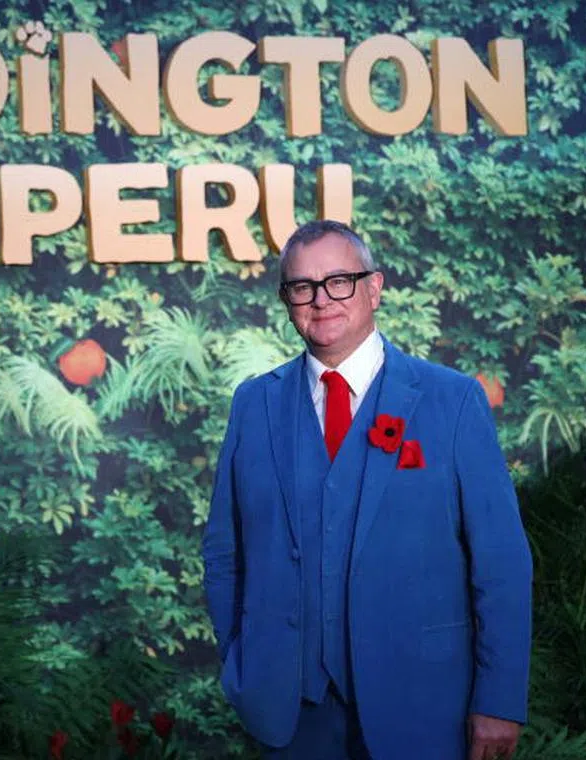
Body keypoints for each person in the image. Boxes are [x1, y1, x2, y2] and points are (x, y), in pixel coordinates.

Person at [200, 219, 533, 760]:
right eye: (301, 287)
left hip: (425, 706)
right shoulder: (253, 403)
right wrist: (242, 661)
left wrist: (499, 698)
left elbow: (501, 562)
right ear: (286, 300)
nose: (321, 299)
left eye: (339, 281)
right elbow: (224, 552)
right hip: (290, 713)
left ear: (374, 287)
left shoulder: (452, 401)